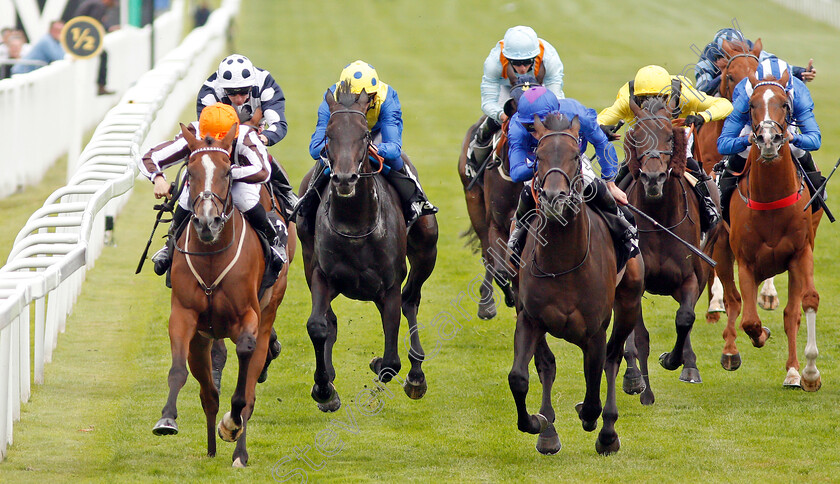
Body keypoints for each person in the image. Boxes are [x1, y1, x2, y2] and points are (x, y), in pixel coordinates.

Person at [140, 103, 286, 278]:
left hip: (239, 178)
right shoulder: (194, 135)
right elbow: (150, 157)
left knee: (244, 199)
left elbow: (263, 171)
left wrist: (226, 173)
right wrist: (158, 178)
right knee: (186, 198)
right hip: (202, 181)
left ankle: (273, 241)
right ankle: (169, 244)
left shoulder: (246, 137)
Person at [505, 85, 638, 272]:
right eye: (530, 127)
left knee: (598, 190)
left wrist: (610, 182)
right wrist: (544, 163)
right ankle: (516, 241)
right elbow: (517, 171)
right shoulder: (517, 127)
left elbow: (601, 142)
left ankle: (626, 232)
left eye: (541, 125)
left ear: (556, 116)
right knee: (527, 195)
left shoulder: (576, 113)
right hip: (539, 164)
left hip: (572, 162)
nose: (534, 133)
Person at [301, 60, 438, 227]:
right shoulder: (331, 99)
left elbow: (394, 148)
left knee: (396, 161)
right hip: (344, 137)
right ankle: (306, 207)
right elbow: (315, 148)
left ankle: (416, 201)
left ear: (373, 95)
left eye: (365, 99)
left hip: (377, 134)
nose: (360, 103)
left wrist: (372, 149)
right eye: (354, 99)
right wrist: (341, 148)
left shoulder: (387, 98)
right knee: (322, 164)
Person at [598, 65, 732, 234]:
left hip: (673, 139)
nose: (652, 101)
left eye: (658, 97)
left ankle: (708, 206)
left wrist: (702, 116)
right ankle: (610, 215)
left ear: (668, 95)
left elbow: (724, 104)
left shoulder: (685, 95)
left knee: (700, 176)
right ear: (637, 96)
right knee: (618, 178)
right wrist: (601, 129)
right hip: (643, 142)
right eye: (645, 98)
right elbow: (599, 119)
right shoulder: (626, 99)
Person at [716, 57, 823, 220]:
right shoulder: (745, 93)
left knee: (798, 151)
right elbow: (723, 144)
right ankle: (719, 211)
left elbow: (815, 140)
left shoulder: (799, 93)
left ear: (787, 90)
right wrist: (746, 140)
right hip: (753, 129)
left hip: (785, 127)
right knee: (742, 154)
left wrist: (793, 137)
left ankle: (817, 203)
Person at [196, 54, 297, 216]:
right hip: (219, 145)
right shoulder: (209, 91)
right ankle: (176, 225)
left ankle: (287, 195)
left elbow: (279, 125)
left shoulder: (265, 83)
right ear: (223, 89)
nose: (239, 99)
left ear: (252, 85)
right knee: (193, 179)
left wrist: (261, 138)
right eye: (232, 94)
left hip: (253, 138)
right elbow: (206, 133)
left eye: (244, 93)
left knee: (266, 160)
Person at [466, 25, 565, 178]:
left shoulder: (549, 58)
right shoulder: (494, 62)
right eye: (517, 63)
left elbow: (557, 98)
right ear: (507, 58)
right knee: (492, 123)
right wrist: (502, 116)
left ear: (535, 57)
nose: (523, 68)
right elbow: (487, 102)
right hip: (507, 90)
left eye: (527, 62)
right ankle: (474, 161)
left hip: (540, 90)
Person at [694, 28, 816, 96]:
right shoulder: (707, 59)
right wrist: (725, 75)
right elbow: (701, 91)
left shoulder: (749, 52)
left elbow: (776, 65)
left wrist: (802, 72)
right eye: (727, 55)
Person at [74, 0, 119, 95]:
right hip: (83, 39)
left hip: (78, 37)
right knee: (104, 55)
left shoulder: (94, 4)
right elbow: (94, 23)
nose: (114, 5)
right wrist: (108, 28)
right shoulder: (99, 6)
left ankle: (101, 86)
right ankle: (101, 86)